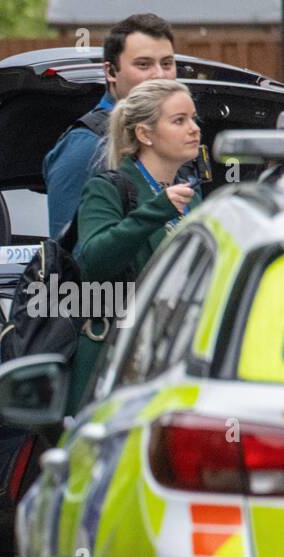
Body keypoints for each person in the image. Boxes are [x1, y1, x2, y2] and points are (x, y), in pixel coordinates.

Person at [67, 79, 202, 411]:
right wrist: (158, 210)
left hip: (175, 355)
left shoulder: (192, 194)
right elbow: (95, 261)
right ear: (145, 134)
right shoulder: (108, 188)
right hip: (114, 360)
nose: (194, 129)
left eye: (194, 118)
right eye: (179, 120)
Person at [44, 13, 177, 238]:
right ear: (110, 72)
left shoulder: (177, 137)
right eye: (143, 64)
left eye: (167, 63)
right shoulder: (86, 146)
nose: (160, 75)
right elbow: (68, 257)